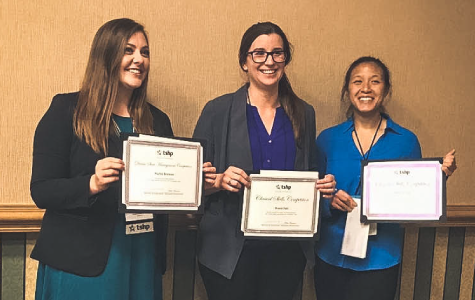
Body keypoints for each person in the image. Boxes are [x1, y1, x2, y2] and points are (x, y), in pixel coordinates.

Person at [30, 18, 172, 300]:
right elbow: (42, 190)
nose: (138, 59)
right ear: (105, 54)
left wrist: (198, 186)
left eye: (144, 52)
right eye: (128, 50)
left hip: (142, 253)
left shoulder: (157, 120)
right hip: (82, 259)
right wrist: (91, 184)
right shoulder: (66, 110)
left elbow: (167, 186)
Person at [193, 22, 336, 300]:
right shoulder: (217, 111)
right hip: (229, 251)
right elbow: (191, 184)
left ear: (285, 59)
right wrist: (220, 181)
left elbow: (309, 175)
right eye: (259, 53)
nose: (269, 61)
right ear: (244, 62)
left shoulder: (303, 113)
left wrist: (322, 187)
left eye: (277, 53)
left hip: (286, 250)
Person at [313, 56, 457, 300]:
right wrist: (329, 202)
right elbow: (312, 196)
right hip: (331, 253)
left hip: (381, 257)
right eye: (357, 81)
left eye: (375, 81)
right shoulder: (327, 139)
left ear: (386, 90)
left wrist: (437, 180)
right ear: (347, 91)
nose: (366, 88)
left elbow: (413, 199)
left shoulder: (406, 141)